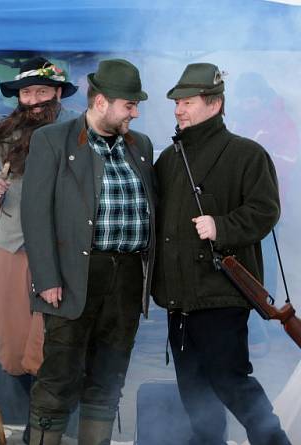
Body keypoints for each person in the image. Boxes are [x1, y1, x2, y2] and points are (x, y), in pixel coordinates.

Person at [152, 62, 290, 445]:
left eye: (187, 101)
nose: (178, 109)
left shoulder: (247, 154)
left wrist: (222, 226)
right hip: (179, 299)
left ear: (214, 104)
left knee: (232, 384)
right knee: (194, 394)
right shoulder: (167, 160)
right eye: (176, 102)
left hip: (221, 295)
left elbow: (266, 210)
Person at [21, 59, 156, 445]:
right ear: (101, 102)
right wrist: (46, 278)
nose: (136, 112)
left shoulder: (140, 145)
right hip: (72, 275)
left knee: (109, 376)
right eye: (129, 105)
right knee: (59, 378)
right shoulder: (53, 140)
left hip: (126, 277)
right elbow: (35, 214)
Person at [0, 57, 80, 431]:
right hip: (14, 246)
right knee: (13, 342)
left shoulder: (77, 132)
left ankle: (50, 423)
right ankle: (28, 419)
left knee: (51, 338)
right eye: (27, 93)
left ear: (57, 93)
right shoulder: (1, 136)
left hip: (61, 248)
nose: (34, 100)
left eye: (41, 92)